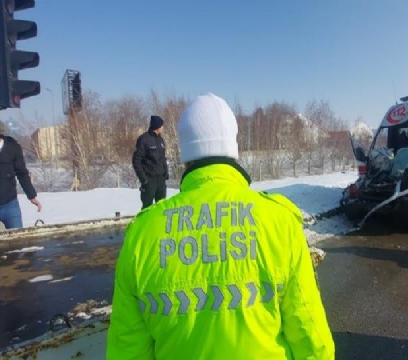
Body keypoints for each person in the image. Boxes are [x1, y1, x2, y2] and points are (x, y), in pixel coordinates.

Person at [107, 93, 335, 359]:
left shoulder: (142, 234)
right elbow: (312, 338)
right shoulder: (280, 221)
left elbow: (127, 350)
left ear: (185, 154)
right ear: (233, 147)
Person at [132, 115, 169, 209]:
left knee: (161, 207)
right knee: (147, 208)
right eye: (162, 126)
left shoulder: (161, 140)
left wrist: (166, 172)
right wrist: (143, 179)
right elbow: (136, 161)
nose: (163, 128)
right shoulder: (144, 139)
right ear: (157, 127)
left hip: (160, 179)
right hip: (149, 180)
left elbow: (163, 158)